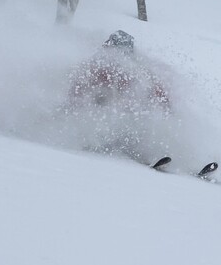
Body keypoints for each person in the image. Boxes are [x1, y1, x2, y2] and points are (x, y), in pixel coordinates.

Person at [64, 30, 172, 164]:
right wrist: (73, 111)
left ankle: (153, 157)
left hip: (125, 125)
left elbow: (156, 90)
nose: (119, 57)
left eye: (124, 53)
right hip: (98, 124)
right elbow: (77, 92)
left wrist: (167, 108)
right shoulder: (94, 67)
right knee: (110, 128)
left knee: (136, 128)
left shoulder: (136, 69)